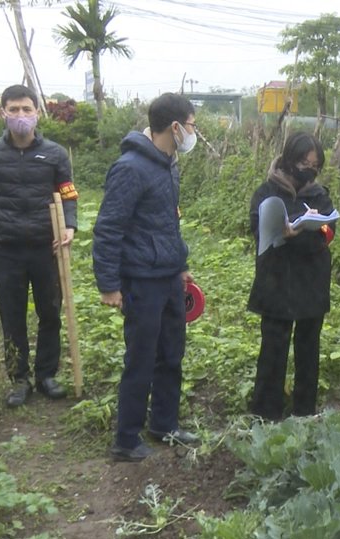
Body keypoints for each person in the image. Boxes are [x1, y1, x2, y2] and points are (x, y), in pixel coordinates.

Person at [93, 92, 199, 462]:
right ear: (175, 127)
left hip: (168, 277)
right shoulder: (130, 168)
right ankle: (126, 438)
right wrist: (109, 284)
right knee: (141, 357)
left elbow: (168, 221)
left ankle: (164, 424)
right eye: (191, 125)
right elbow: (108, 229)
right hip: (141, 280)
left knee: (171, 354)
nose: (193, 131)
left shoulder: (168, 163)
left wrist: (180, 263)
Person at [0, 84, 77, 408]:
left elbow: (68, 194)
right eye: (14, 110)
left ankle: (46, 375)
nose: (20, 116)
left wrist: (69, 225)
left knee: (50, 312)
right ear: (3, 113)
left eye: (26, 109)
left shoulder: (55, 154)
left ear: (37, 113)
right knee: (12, 316)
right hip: (7, 248)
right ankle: (19, 379)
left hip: (47, 247)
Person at [247, 132, 335, 420]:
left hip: (312, 279)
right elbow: (258, 227)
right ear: (288, 160)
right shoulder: (267, 192)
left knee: (309, 347)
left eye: (314, 165)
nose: (307, 170)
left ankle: (304, 410)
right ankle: (265, 411)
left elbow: (329, 231)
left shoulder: (319, 194)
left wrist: (314, 228)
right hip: (277, 279)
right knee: (274, 345)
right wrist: (284, 232)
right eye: (302, 162)